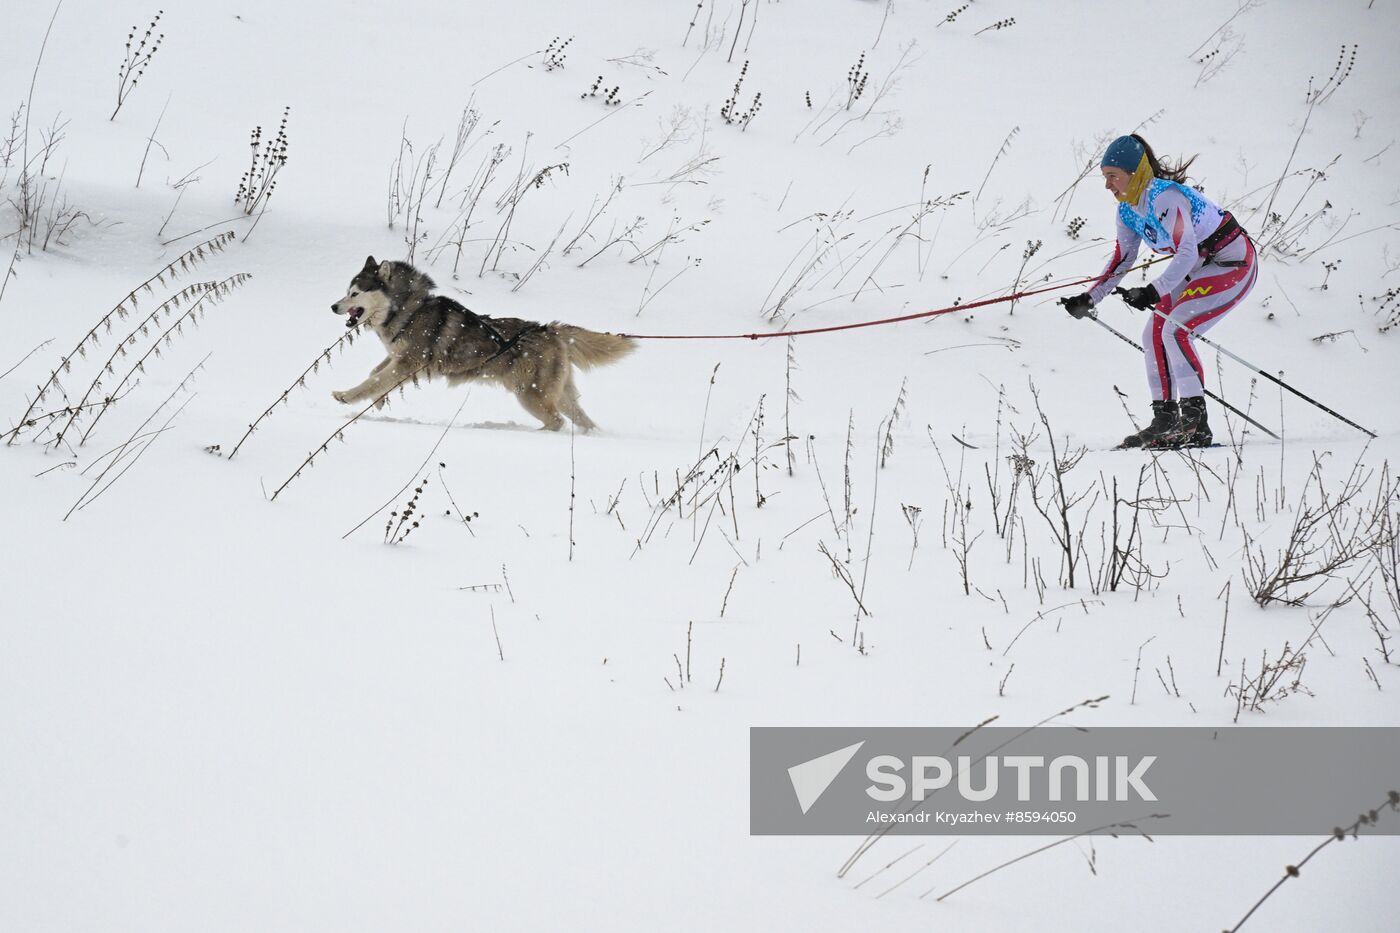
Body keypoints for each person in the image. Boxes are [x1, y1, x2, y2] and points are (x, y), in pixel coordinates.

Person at [1059, 134, 1258, 448]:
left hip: (1233, 264)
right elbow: (1122, 261)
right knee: (1154, 332)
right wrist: (1090, 297)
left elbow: (1187, 252)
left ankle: (1194, 422)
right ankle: (1164, 419)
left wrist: (1153, 292)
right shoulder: (1127, 210)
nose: (1108, 185)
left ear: (1135, 173)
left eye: (1113, 176)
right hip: (1203, 266)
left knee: (1175, 329)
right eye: (1105, 177)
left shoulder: (1164, 197)